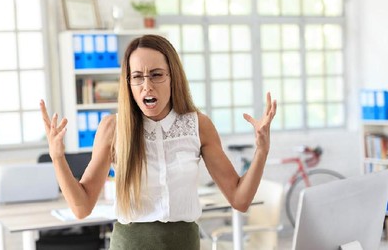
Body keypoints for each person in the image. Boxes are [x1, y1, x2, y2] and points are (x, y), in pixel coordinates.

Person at [40, 34, 277, 249]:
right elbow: (81, 208)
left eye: (156, 74)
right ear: (128, 83)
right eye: (137, 77)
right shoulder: (113, 128)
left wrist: (261, 151)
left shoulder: (198, 125)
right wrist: (57, 157)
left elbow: (240, 199)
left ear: (173, 77)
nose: (147, 86)